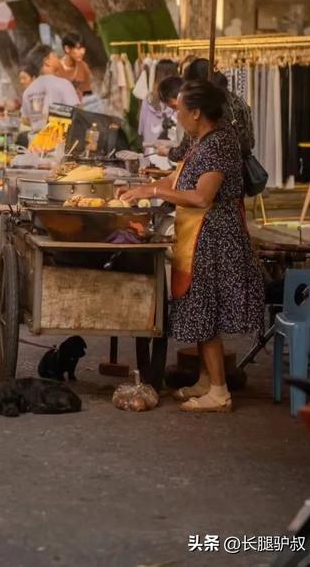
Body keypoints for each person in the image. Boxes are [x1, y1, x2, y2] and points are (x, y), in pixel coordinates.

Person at [121, 81, 264, 413]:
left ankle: (219, 391)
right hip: (198, 235)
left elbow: (201, 196)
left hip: (215, 239)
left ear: (196, 112)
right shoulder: (202, 141)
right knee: (201, 309)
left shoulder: (220, 144)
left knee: (207, 311)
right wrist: (144, 188)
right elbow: (177, 181)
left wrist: (155, 194)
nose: (177, 115)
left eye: (180, 109)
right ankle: (205, 380)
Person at [21, 44, 79, 135]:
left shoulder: (28, 91)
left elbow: (25, 120)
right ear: (47, 61)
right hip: (58, 144)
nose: (58, 59)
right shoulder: (63, 84)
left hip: (35, 145)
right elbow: (77, 114)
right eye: (55, 56)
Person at [137, 59, 178, 145]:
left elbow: (141, 128)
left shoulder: (148, 100)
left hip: (150, 149)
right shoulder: (178, 101)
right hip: (170, 151)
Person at [59, 33, 92, 97]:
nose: (82, 52)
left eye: (83, 48)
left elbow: (88, 93)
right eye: (78, 48)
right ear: (67, 49)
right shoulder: (55, 69)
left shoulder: (83, 66)